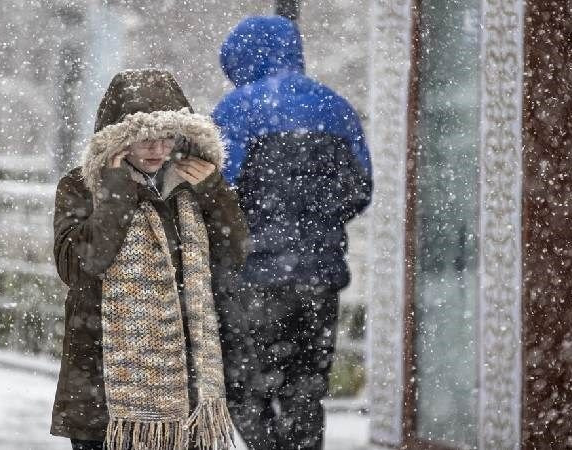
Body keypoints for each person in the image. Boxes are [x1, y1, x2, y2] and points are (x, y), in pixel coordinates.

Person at [50, 68, 248, 450]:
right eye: (144, 139)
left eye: (167, 137)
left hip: (184, 395)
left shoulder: (192, 186)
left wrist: (213, 191)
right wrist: (116, 192)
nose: (158, 149)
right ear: (118, 141)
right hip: (102, 394)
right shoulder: (80, 187)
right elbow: (80, 265)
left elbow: (235, 252)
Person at [213, 16, 373, 450]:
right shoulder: (337, 109)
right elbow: (360, 192)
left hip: (252, 279)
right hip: (320, 276)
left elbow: (217, 193)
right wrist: (314, 227)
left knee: (245, 388)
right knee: (305, 393)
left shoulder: (236, 110)